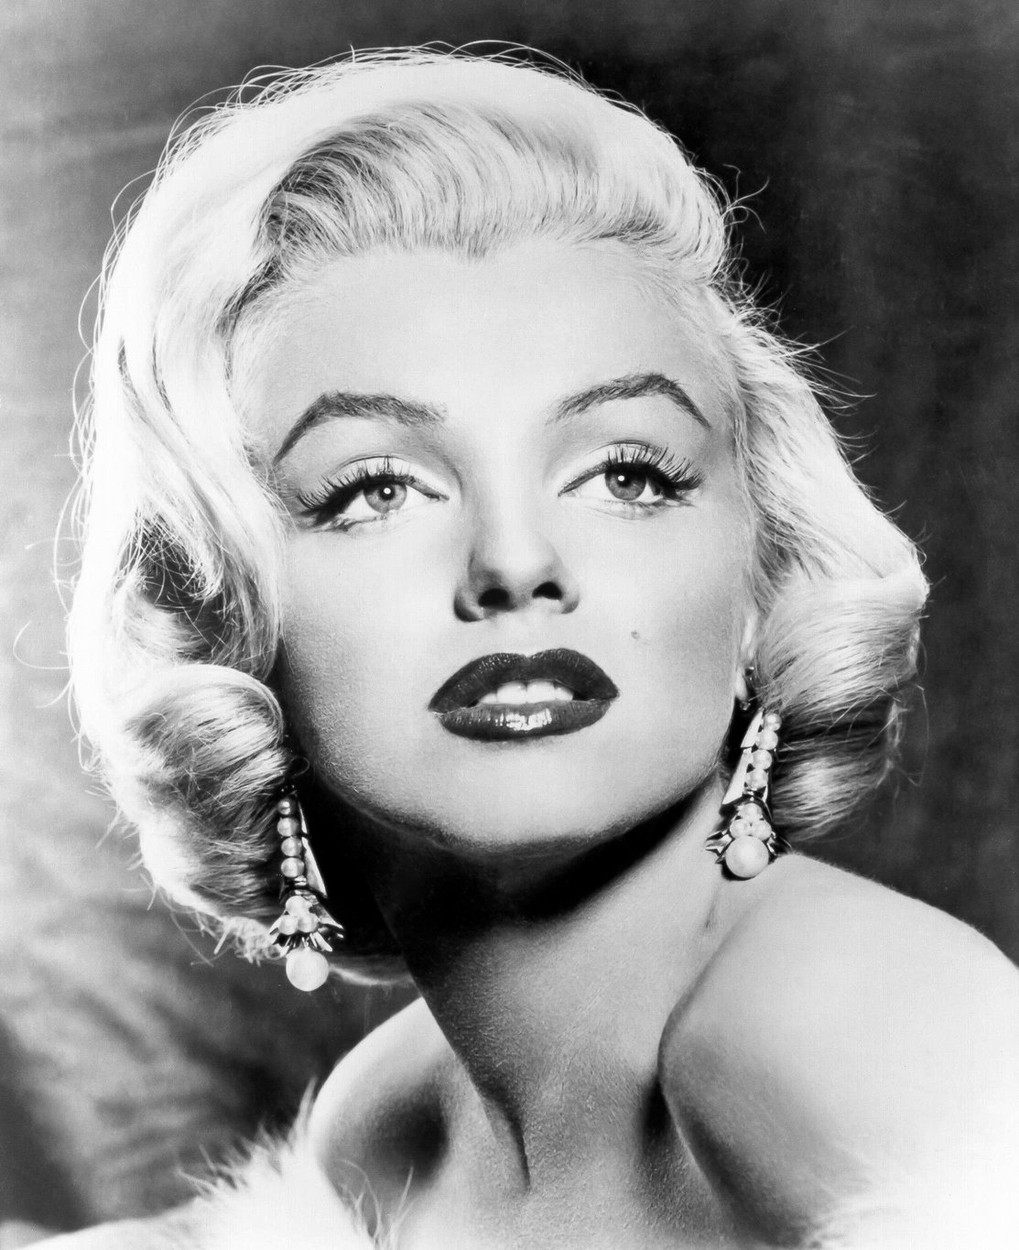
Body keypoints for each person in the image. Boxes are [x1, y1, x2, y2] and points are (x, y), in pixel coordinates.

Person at [44, 47, 1019, 1248]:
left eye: (626, 472)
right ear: (226, 623)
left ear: (762, 571)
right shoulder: (384, 1128)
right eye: (373, 489)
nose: (514, 562)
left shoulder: (850, 1018)